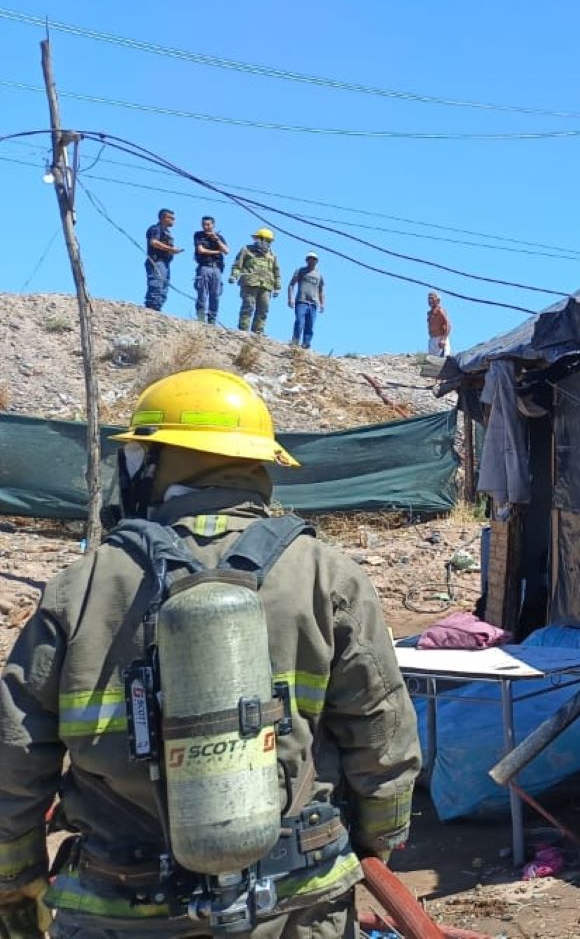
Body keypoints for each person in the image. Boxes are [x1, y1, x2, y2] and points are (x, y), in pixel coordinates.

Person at [0, 368, 419, 938]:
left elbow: (16, 757)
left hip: (123, 906)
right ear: (258, 465)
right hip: (294, 901)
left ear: (153, 464)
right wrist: (374, 844)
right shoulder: (326, 575)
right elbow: (384, 737)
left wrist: (16, 882)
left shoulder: (82, 585)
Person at [229, 229, 281, 336]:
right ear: (261, 239)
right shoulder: (246, 250)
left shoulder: (272, 255)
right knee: (248, 306)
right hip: (250, 283)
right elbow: (237, 264)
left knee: (263, 309)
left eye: (270, 241)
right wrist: (234, 275)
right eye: (268, 240)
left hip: (266, 286)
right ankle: (243, 330)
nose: (269, 243)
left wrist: (277, 287)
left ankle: (258, 331)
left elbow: (276, 271)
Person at [142, 209, 182, 312]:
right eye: (170, 218)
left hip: (165, 262)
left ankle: (157, 307)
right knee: (156, 284)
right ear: (163, 218)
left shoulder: (167, 232)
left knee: (164, 286)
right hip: (156, 261)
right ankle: (151, 307)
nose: (172, 221)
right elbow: (154, 242)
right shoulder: (156, 229)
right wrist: (171, 249)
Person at [191, 217, 229, 325]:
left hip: (217, 268)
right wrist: (217, 251)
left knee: (215, 294)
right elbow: (201, 250)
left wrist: (216, 239)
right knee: (202, 293)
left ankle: (212, 318)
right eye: (204, 224)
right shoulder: (199, 235)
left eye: (208, 224)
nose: (206, 227)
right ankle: (201, 316)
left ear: (213, 225)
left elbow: (226, 251)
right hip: (204, 267)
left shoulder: (219, 237)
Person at [285, 253, 326, 350]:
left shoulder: (319, 275)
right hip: (301, 301)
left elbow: (321, 290)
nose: (312, 260)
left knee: (310, 325)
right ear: (306, 260)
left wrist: (322, 304)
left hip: (313, 304)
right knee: (299, 322)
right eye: (310, 259)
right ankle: (295, 342)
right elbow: (291, 285)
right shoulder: (300, 271)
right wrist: (290, 298)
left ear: (317, 261)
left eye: (314, 259)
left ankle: (306, 344)